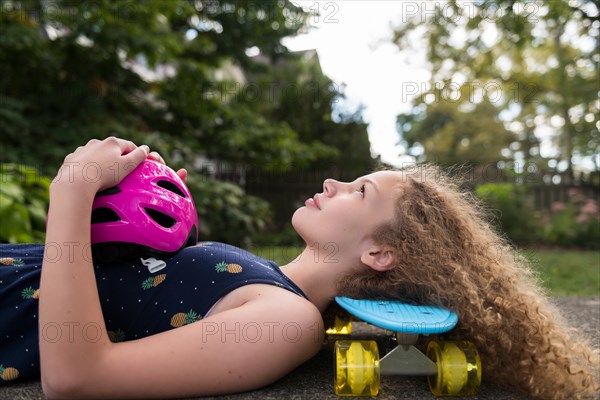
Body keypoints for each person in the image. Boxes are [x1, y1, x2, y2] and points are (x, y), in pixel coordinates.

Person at [0, 137, 597, 399]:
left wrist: (73, 193)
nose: (332, 183)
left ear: (380, 254)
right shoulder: (263, 280)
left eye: (358, 192)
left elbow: (78, 376)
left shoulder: (287, 323)